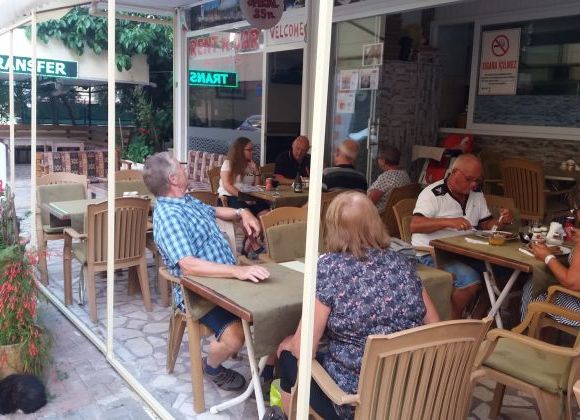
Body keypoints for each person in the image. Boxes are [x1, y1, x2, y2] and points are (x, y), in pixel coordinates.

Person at [272, 192, 439, 419]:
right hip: (405, 393)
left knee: (289, 358)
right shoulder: (403, 265)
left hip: (353, 403)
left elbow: (304, 349)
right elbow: (435, 326)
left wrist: (289, 343)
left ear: (333, 229)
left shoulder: (331, 268)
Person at [143, 152, 270, 392]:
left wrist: (242, 213)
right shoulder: (169, 216)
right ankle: (211, 367)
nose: (185, 168)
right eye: (181, 167)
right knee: (235, 336)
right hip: (199, 292)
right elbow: (189, 265)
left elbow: (215, 211)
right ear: (173, 179)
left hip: (226, 282)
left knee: (272, 309)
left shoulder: (186, 200)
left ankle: (270, 371)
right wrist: (237, 271)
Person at [410, 154, 513, 319]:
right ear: (454, 172)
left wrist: (501, 222)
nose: (473, 184)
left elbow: (485, 224)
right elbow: (415, 225)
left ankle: (478, 317)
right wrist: (449, 222)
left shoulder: (476, 194)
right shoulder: (433, 193)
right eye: (469, 179)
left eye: (477, 180)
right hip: (432, 254)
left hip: (465, 252)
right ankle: (453, 321)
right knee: (470, 280)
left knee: (502, 272)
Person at [218, 137, 269, 257]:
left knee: (265, 213)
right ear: (240, 150)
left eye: (252, 149)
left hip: (248, 196)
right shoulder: (228, 164)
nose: (252, 152)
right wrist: (245, 198)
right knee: (246, 215)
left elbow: (255, 186)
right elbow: (227, 185)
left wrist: (256, 171)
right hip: (229, 197)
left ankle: (248, 243)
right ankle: (254, 245)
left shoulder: (249, 165)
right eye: (249, 150)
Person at [523, 227, 580, 326]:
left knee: (533, 286)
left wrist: (548, 257)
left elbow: (572, 283)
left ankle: (524, 331)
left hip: (577, 310)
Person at [367, 145, 411, 213]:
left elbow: (370, 201)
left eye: (378, 158)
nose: (377, 160)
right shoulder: (404, 175)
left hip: (380, 216)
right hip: (396, 216)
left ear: (383, 161)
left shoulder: (386, 177)